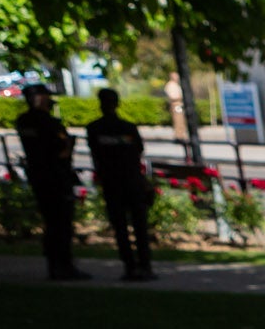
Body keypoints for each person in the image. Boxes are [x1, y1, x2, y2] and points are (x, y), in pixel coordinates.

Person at [11, 84, 89, 281]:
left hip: (38, 176)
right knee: (61, 223)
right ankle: (64, 265)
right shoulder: (49, 123)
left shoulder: (23, 121)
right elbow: (61, 150)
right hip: (55, 177)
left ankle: (54, 264)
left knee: (50, 222)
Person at [82, 87, 156, 281]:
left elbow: (97, 154)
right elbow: (137, 151)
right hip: (130, 180)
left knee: (121, 227)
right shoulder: (128, 128)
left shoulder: (94, 129)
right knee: (139, 225)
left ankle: (130, 266)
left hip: (112, 182)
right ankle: (144, 265)